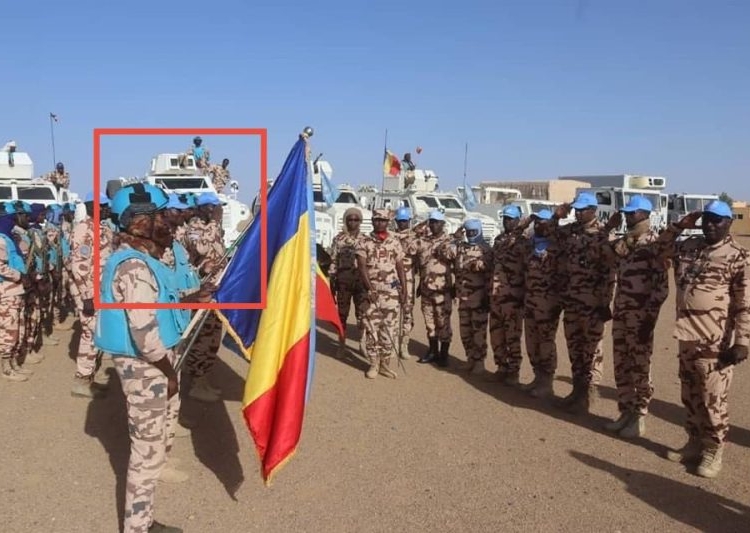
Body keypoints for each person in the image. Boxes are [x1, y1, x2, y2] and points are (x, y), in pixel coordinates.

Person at [95, 183, 212, 533]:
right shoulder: (133, 266)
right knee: (146, 455)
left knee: (154, 448)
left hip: (156, 363)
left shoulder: (147, 260)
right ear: (139, 222)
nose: (170, 221)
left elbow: (163, 305)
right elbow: (145, 335)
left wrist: (195, 296)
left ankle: (142, 520)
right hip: (148, 367)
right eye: (161, 215)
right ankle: (137, 528)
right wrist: (170, 373)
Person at [657, 201, 750, 478]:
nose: (710, 225)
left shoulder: (738, 256)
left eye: (717, 220)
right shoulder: (689, 246)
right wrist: (679, 225)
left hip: (715, 340)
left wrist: (743, 341)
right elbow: (658, 249)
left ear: (729, 223)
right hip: (687, 335)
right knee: (690, 393)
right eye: (706, 219)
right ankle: (694, 441)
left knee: (712, 398)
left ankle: (713, 450)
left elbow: (745, 302)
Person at [599, 196, 669, 438]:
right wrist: (610, 229)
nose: (628, 216)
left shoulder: (655, 244)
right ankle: (626, 411)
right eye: (627, 213)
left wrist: (649, 319)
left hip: (641, 317)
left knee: (640, 366)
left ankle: (639, 417)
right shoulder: (626, 243)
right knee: (622, 365)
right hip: (621, 313)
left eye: (632, 213)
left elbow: (661, 288)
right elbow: (604, 255)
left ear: (645, 214)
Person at [553, 192, 617, 413]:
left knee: (591, 352)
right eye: (576, 209)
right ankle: (576, 391)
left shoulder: (604, 234)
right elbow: (549, 233)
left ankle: (589, 396)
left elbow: (609, 272)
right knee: (574, 348)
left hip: (592, 304)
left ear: (593, 210)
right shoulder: (571, 231)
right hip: (572, 301)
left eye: (583, 209)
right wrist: (556, 216)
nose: (578, 213)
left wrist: (604, 303)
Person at [355, 209, 406, 378]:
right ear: (372, 221)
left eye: (383, 220)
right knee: (371, 329)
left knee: (388, 330)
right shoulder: (364, 242)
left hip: (390, 294)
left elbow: (400, 267)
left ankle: (385, 364)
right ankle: (373, 364)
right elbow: (361, 267)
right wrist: (369, 288)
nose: (379, 223)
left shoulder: (394, 242)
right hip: (372, 294)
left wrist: (404, 290)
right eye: (376, 220)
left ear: (388, 222)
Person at [439, 219, 493, 373]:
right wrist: (454, 237)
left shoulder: (486, 250)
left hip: (478, 298)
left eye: (473, 232)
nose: (470, 235)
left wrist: (487, 297)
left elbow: (489, 272)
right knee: (465, 331)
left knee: (478, 332)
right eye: (468, 232)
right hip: (463, 297)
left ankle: (479, 362)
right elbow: (443, 252)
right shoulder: (460, 247)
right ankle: (470, 358)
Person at [521, 209, 563, 398]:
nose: (538, 226)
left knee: (546, 343)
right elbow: (515, 235)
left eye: (542, 222)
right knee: (532, 342)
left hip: (548, 305)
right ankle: (537, 378)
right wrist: (527, 220)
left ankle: (547, 383)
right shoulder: (530, 245)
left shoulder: (557, 248)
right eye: (536, 222)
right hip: (530, 302)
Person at [489, 205, 530, 384]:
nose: (507, 222)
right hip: (496, 295)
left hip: (513, 298)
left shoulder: (523, 242)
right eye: (505, 218)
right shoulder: (499, 240)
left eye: (511, 219)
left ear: (518, 220)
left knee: (512, 336)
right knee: (496, 334)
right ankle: (501, 366)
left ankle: (514, 370)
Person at [414, 210, 454, 367]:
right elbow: (422, 265)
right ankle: (432, 351)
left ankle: (444, 355)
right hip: (426, 289)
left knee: (443, 323)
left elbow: (453, 260)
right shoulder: (423, 241)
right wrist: (419, 284)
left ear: (443, 224)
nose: (434, 225)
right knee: (429, 323)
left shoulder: (450, 241)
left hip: (442, 291)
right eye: (431, 222)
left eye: (437, 222)